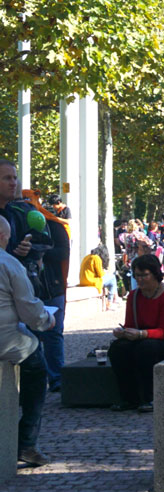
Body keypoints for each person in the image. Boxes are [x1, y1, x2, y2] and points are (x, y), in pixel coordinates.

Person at [0, 160, 69, 393]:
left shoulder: (21, 214)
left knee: (44, 340)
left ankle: (49, 384)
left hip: (37, 291)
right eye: (6, 178)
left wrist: (26, 252)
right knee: (33, 350)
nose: (13, 183)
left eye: (14, 177)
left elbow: (50, 248)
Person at [0, 216, 57, 467]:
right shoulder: (9, 263)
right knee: (37, 364)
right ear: (4, 236)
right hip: (5, 339)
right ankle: (27, 442)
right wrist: (47, 320)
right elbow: (29, 310)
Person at [108, 254, 164, 413]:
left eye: (144, 275)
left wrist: (142, 334)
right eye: (137, 275)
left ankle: (149, 398)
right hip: (143, 338)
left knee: (146, 349)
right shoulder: (134, 296)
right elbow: (130, 325)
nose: (139, 279)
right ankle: (128, 398)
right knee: (118, 348)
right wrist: (123, 333)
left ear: (155, 274)